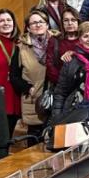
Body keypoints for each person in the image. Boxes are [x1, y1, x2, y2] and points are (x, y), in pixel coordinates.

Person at [10, 10, 58, 139]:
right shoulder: (21, 47)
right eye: (33, 23)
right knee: (34, 140)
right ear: (28, 28)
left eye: (41, 22)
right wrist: (28, 89)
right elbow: (14, 76)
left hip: (56, 97)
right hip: (33, 100)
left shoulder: (58, 42)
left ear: (47, 25)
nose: (37, 25)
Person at [45, 6, 80, 86]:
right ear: (62, 23)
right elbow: (49, 65)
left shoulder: (85, 39)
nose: (70, 23)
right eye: (66, 20)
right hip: (60, 84)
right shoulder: (55, 40)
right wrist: (61, 81)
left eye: (73, 20)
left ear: (78, 22)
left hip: (82, 84)